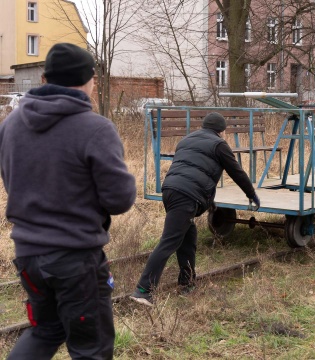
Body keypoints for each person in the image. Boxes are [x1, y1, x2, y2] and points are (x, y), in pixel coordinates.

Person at [0, 43, 137, 359]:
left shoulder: (10, 126)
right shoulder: (95, 128)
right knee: (92, 348)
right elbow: (120, 198)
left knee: (46, 331)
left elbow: (13, 182)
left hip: (28, 256)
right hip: (75, 260)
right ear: (91, 80)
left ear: (45, 79)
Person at [131, 112, 260, 306]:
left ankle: (187, 283)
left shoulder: (186, 140)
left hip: (170, 190)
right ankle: (143, 290)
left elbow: (192, 168)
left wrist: (209, 201)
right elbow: (237, 172)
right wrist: (251, 194)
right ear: (221, 131)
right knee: (169, 241)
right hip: (187, 196)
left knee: (188, 238)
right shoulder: (219, 145)